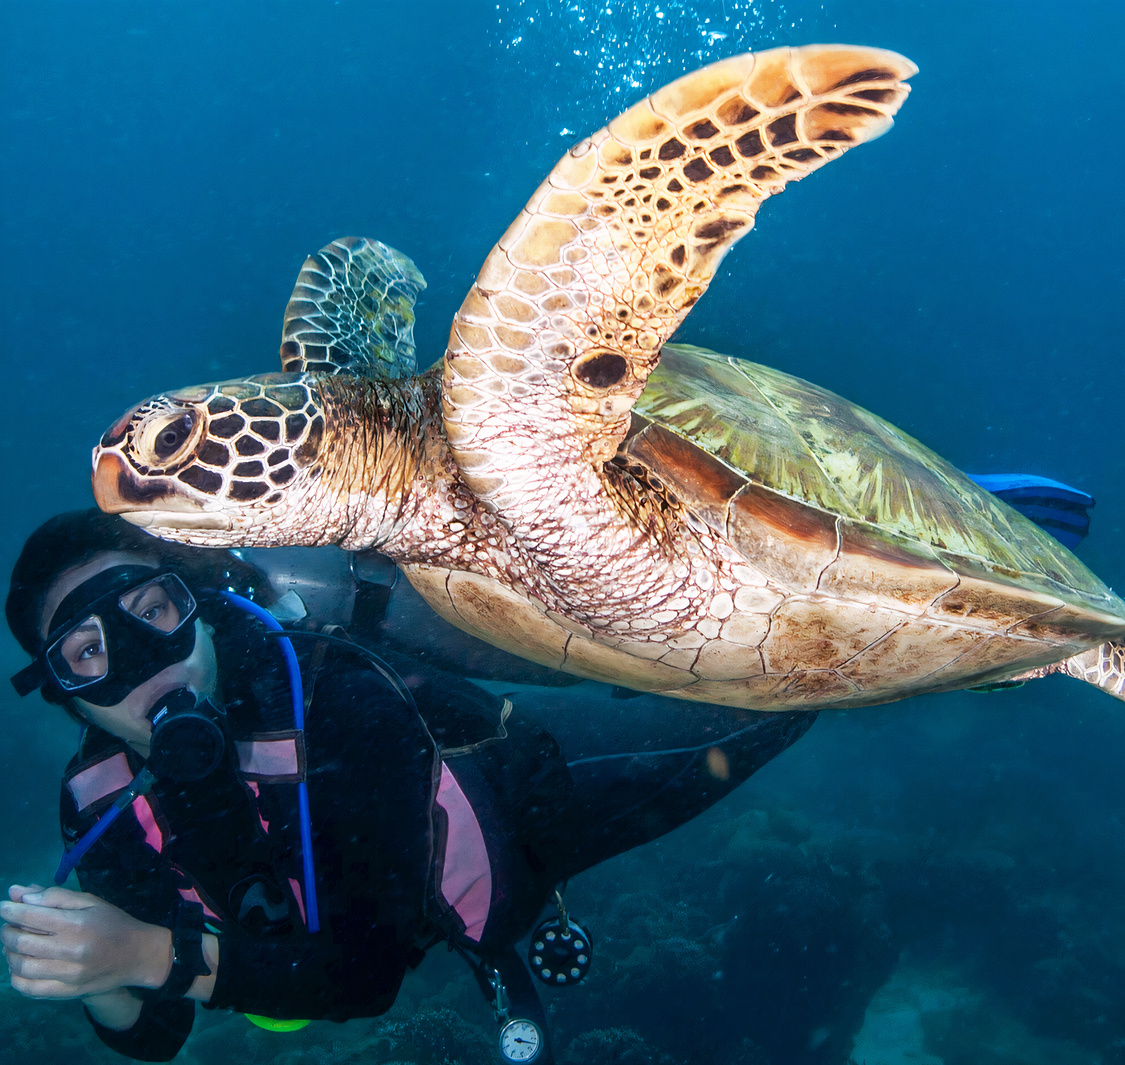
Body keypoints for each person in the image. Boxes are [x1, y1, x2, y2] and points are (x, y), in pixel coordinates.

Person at [0, 509, 814, 1062]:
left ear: (201, 604)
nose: (145, 658)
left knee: (776, 699)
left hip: (524, 809)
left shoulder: (334, 696)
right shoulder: (101, 803)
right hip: (401, 909)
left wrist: (145, 951)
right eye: (89, 651)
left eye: (154, 609)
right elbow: (155, 1036)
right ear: (65, 694)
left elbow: (366, 974)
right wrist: (96, 971)